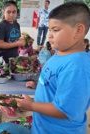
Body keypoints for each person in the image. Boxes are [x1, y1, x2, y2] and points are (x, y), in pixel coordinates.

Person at [16, 2, 90, 133]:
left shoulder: (76, 67)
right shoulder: (60, 53)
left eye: (55, 30)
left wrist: (31, 105)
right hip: (42, 128)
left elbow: (65, 110)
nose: (49, 35)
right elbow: (55, 81)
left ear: (78, 30)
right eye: (49, 29)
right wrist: (42, 85)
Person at [0, 1, 26, 117]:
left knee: (13, 82)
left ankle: (11, 101)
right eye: (8, 12)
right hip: (4, 59)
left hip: (14, 58)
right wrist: (16, 43)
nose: (11, 15)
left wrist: (21, 44)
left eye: (14, 12)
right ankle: (2, 103)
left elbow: (16, 40)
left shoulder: (16, 25)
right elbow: (0, 44)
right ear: (3, 12)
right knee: (3, 83)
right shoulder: (2, 25)